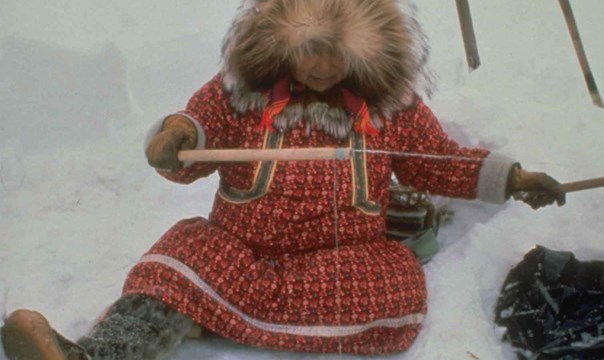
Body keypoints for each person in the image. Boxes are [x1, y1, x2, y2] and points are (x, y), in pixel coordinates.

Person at [1, 0, 566, 359]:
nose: (321, 68)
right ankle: (100, 355)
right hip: (239, 249)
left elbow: (435, 161)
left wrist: (512, 178)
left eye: (335, 56)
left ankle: (208, 311)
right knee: (176, 255)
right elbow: (195, 131)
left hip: (338, 261)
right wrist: (174, 137)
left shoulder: (390, 105)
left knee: (397, 282)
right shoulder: (240, 92)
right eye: (308, 53)